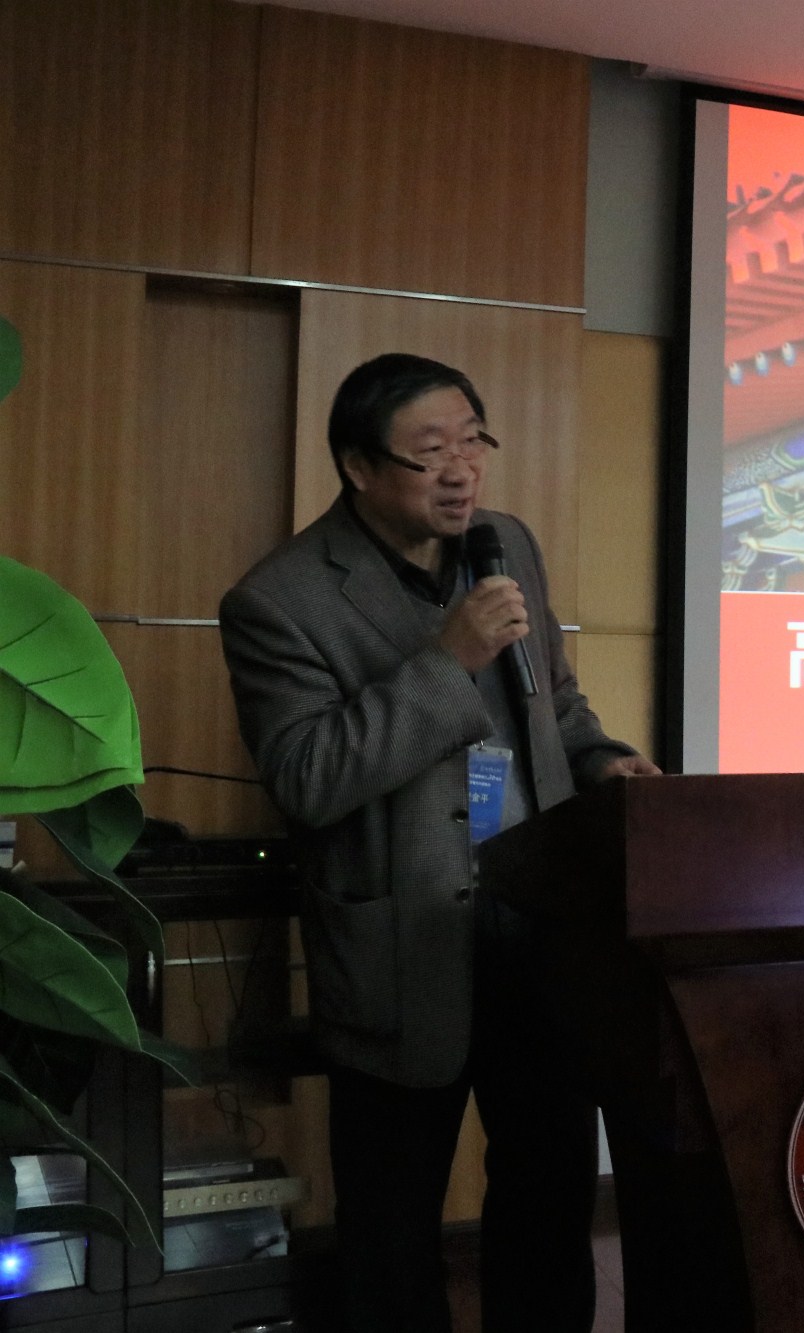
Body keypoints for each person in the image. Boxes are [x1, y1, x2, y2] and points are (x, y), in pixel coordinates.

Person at [219, 353, 661, 1332]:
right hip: (400, 949)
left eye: (473, 441)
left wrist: (603, 762)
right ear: (359, 467)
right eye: (431, 452)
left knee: (549, 1194)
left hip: (538, 928)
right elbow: (306, 776)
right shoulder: (279, 601)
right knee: (392, 1227)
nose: (462, 470)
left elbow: (556, 703)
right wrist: (445, 661)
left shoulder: (507, 545)